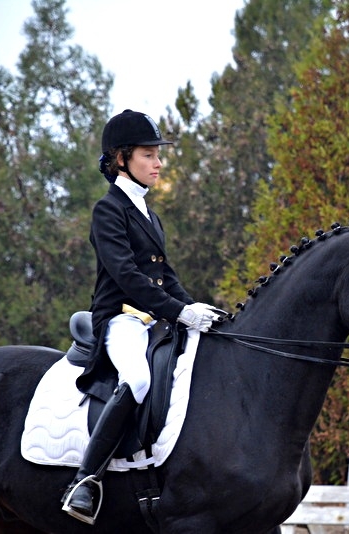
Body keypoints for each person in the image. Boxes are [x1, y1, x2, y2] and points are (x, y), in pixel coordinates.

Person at [61, 109, 218, 524]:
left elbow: (164, 275)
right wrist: (179, 311)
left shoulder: (149, 212)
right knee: (139, 378)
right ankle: (86, 480)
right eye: (149, 155)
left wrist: (195, 310)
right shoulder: (108, 210)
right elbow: (128, 277)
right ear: (121, 159)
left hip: (155, 319)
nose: (158, 162)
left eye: (158, 155)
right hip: (120, 319)